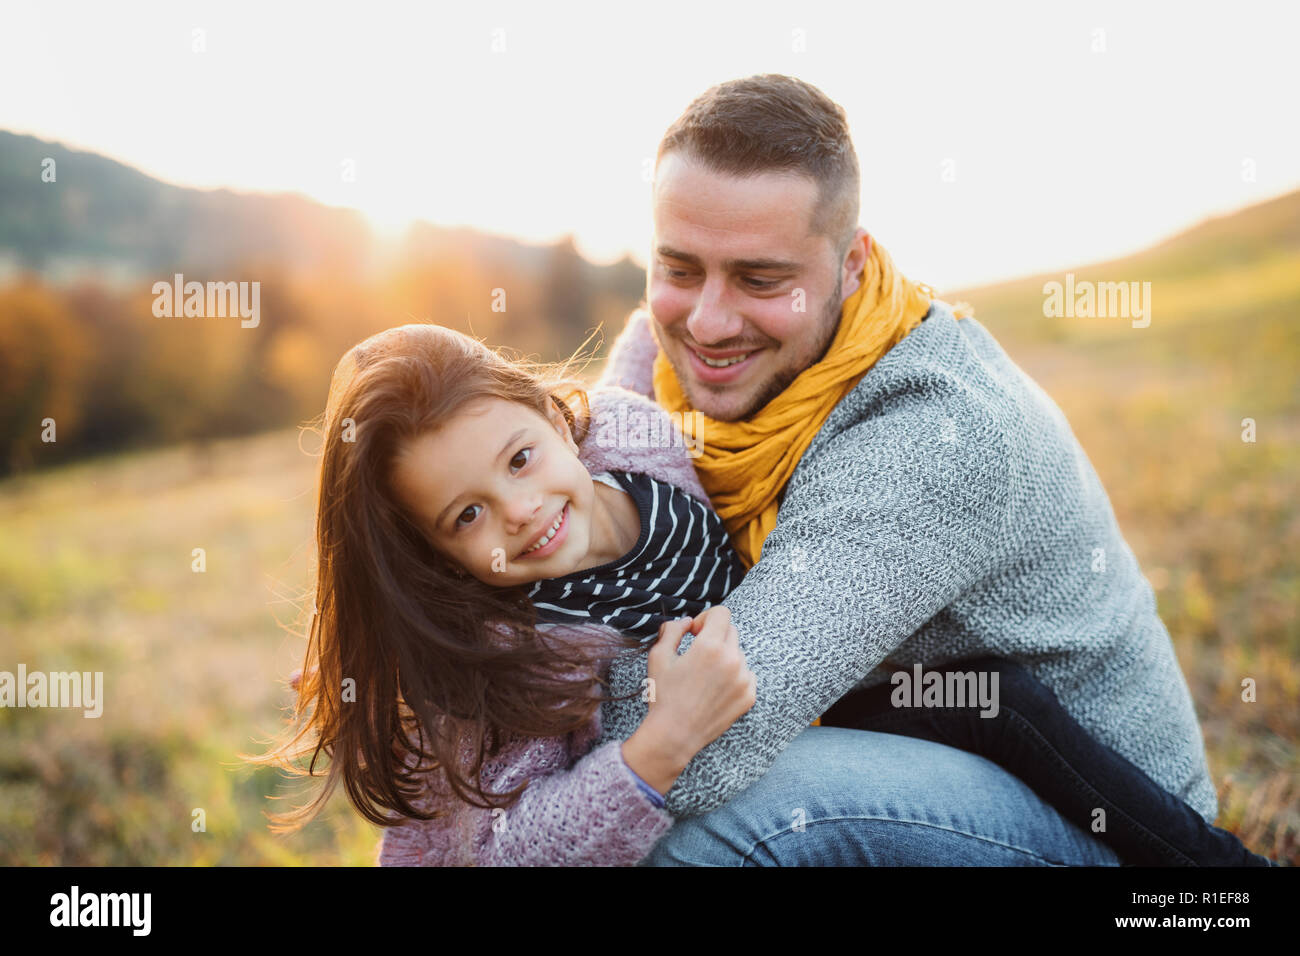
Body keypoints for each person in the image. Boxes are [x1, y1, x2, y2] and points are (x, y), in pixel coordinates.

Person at [588, 73, 1247, 866]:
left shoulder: (935, 435)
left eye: (762, 280)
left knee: (692, 820)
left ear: (852, 264)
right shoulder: (665, 354)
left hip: (1103, 829)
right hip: (926, 737)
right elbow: (570, 491)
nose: (708, 320)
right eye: (681, 269)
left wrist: (500, 683)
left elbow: (694, 738)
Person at [253, 321, 761, 865]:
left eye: (520, 460)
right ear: (438, 557)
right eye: (468, 515)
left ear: (556, 420)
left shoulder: (625, 431)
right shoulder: (512, 655)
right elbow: (507, 850)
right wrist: (665, 743)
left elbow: (635, 372)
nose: (520, 511)